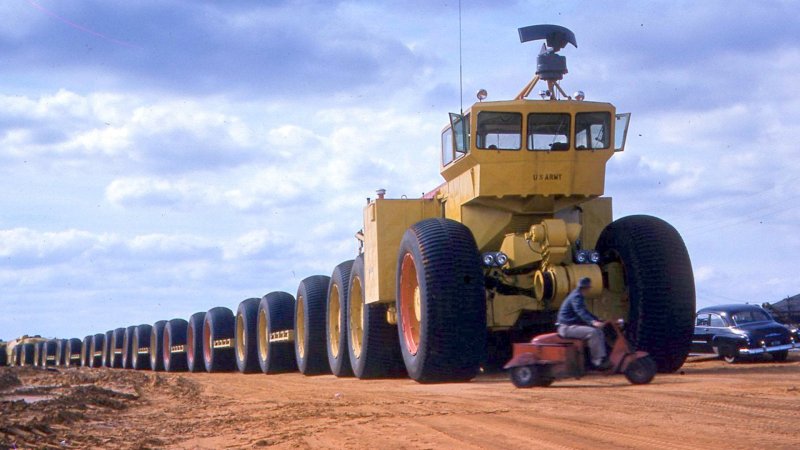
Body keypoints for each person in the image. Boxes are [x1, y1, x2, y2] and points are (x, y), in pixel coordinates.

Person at [556, 277, 609, 370]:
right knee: (593, 332)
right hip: (566, 328)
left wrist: (597, 319)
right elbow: (580, 311)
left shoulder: (577, 295)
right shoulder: (576, 296)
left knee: (599, 331)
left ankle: (602, 359)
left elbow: (585, 312)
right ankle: (597, 362)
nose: (588, 290)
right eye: (588, 288)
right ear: (585, 288)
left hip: (569, 326)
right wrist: (592, 322)